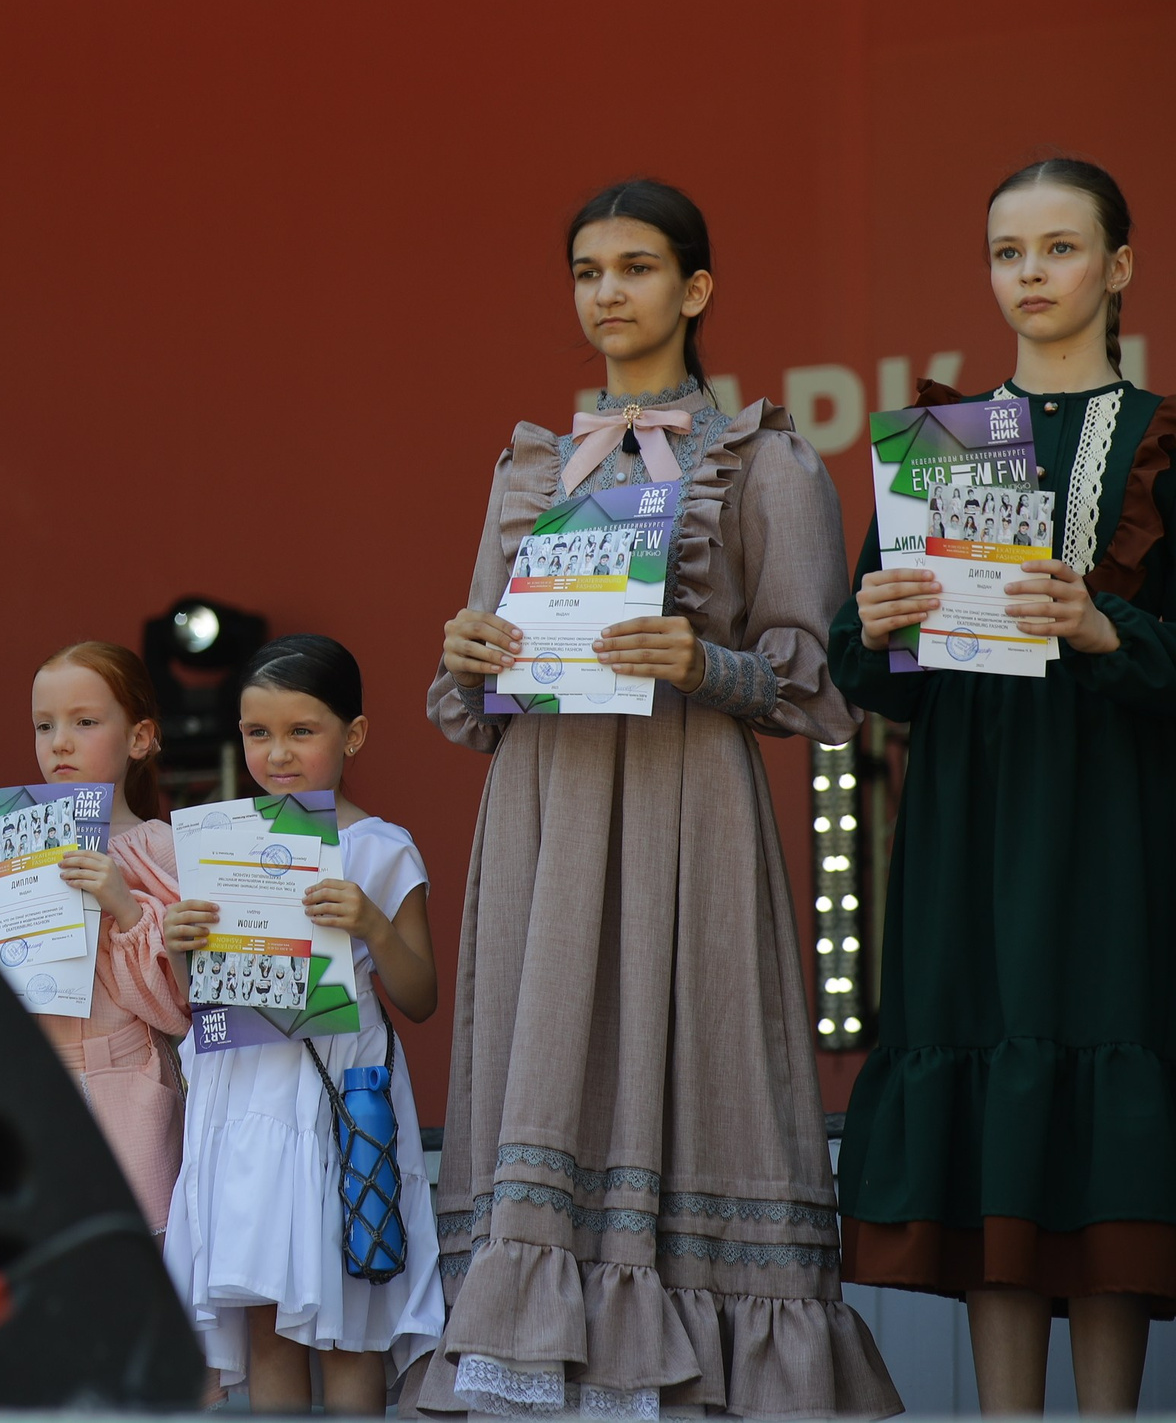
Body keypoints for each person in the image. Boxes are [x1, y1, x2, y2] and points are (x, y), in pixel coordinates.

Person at [428, 179, 896, 1418]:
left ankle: (698, 1368)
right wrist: (470, 655)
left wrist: (704, 660)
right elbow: (473, 698)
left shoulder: (763, 456)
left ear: (693, 290)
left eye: (635, 269)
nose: (607, 294)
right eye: (587, 272)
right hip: (547, 803)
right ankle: (537, 1362)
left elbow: (815, 681)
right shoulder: (528, 463)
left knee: (689, 1062)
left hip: (685, 799)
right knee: (544, 1076)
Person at [832, 158, 1173, 1413]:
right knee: (989, 1127)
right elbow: (874, 678)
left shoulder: (1162, 439)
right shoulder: (940, 438)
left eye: (1058, 249)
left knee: (1095, 1121)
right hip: (969, 825)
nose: (1029, 275)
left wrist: (1108, 635)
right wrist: (869, 622)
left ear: (1118, 266)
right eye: (1006, 252)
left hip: (1111, 826)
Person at [162, 635, 443, 1411]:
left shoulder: (381, 848)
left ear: (352, 734)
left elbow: (420, 995)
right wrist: (179, 944)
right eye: (258, 733)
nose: (277, 753)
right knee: (267, 1325)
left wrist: (374, 925)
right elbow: (208, 1001)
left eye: (302, 731)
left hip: (334, 1106)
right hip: (245, 1100)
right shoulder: (227, 845)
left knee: (349, 1322)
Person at [0, 642, 191, 1228]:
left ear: (140, 738)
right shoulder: (7, 844)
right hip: (24, 1089)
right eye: (44, 725)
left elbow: (182, 1008)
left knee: (128, 1270)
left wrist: (124, 906)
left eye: (85, 722)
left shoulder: (162, 850)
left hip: (128, 1093)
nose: (60, 743)